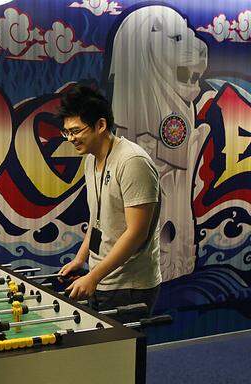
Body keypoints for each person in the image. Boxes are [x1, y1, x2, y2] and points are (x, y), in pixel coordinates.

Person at [57, 85, 162, 323]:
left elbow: (136, 233)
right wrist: (81, 259)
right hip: (102, 277)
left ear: (101, 125)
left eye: (76, 131)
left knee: (122, 359)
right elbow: (97, 220)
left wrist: (94, 277)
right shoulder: (91, 161)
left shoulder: (132, 162)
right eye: (66, 133)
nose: (71, 138)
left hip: (130, 285)